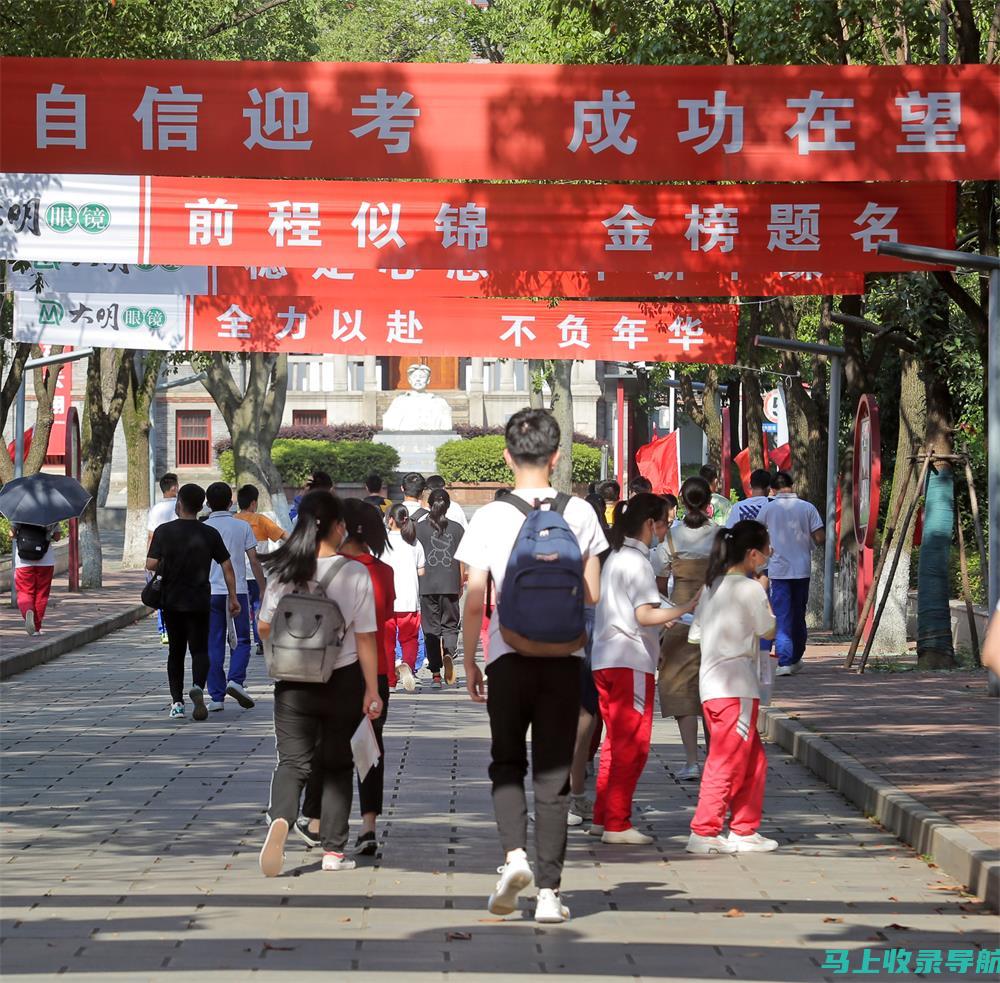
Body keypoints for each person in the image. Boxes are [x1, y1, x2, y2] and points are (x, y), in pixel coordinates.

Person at [456, 408, 608, 925]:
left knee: (506, 761)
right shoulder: (582, 513)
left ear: (506, 455)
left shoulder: (491, 516)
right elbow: (592, 593)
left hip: (507, 657)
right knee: (553, 775)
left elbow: (476, 595)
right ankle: (549, 894)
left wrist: (471, 656)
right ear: (556, 455)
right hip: (565, 659)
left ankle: (514, 857)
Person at [257, 491, 382, 877]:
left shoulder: (283, 569)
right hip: (341, 678)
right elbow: (365, 637)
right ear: (337, 527)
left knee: (293, 761)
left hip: (293, 679)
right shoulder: (356, 572)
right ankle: (332, 851)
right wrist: (372, 690)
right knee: (337, 763)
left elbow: (264, 625)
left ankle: (281, 818)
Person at [591, 494, 698, 844]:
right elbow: (645, 614)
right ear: (651, 524)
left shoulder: (618, 557)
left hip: (608, 658)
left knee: (614, 743)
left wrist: (666, 616)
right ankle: (617, 823)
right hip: (629, 661)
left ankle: (604, 816)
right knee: (632, 744)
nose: (667, 530)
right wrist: (686, 606)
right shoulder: (636, 562)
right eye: (666, 522)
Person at [297, 499, 396, 857]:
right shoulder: (383, 572)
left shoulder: (334, 569)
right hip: (378, 670)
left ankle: (317, 821)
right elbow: (381, 620)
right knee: (370, 749)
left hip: (335, 668)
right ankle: (368, 826)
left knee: (326, 745)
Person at [686, 520, 778, 854]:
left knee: (752, 759)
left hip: (711, 685)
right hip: (735, 687)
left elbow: (695, 634)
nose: (770, 553)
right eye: (767, 548)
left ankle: (744, 828)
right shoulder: (752, 589)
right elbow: (768, 629)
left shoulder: (712, 586)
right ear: (752, 554)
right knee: (725, 760)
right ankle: (705, 830)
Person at [146, 483, 240, 720]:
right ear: (201, 506)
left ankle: (177, 703)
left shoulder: (164, 531)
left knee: (176, 652)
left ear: (179, 504)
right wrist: (233, 596)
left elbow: (150, 564)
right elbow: (227, 566)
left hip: (171, 601)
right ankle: (197, 686)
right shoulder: (209, 533)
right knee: (199, 649)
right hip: (199, 600)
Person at [656, 477, 717, 781]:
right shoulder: (720, 536)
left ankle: (692, 760)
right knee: (714, 689)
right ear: (709, 501)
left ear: (681, 501)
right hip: (715, 615)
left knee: (680, 688)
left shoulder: (671, 536)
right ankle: (716, 759)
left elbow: (654, 573)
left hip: (680, 616)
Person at [204, 482, 266, 712]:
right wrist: (262, 587)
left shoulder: (204, 527)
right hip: (237, 590)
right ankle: (236, 680)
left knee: (214, 641)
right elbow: (254, 560)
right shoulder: (242, 527)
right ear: (230, 502)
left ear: (208, 503)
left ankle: (217, 697)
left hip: (210, 592)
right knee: (241, 640)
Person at [757, 471, 824, 677]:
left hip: (779, 570)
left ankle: (785, 660)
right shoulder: (807, 507)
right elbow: (820, 536)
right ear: (792, 486)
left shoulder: (768, 508)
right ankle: (795, 657)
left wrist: (768, 549)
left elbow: (756, 533)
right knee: (798, 614)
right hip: (802, 568)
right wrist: (807, 543)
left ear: (772, 489)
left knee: (783, 615)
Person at [415, 488, 465, 689]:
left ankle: (435, 674)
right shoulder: (457, 528)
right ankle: (449, 653)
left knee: (431, 629)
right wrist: (460, 582)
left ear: (428, 504)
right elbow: (462, 559)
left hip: (426, 584)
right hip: (450, 582)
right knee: (451, 625)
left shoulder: (418, 528)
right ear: (448, 505)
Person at [235, 484, 288, 652]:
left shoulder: (234, 521)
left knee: (242, 607)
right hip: (259, 573)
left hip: (237, 575)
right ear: (253, 503)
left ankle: (239, 639)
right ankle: (260, 641)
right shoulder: (261, 520)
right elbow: (285, 536)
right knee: (259, 607)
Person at [384, 504, 425, 692]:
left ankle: (390, 681)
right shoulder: (414, 542)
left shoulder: (381, 540)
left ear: (390, 519)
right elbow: (422, 571)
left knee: (387, 641)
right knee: (409, 639)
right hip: (409, 599)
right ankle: (408, 665)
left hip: (386, 599)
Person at [147, 472, 179, 644]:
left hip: (161, 559)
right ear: (174, 487)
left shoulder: (155, 509)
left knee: (162, 593)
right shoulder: (181, 506)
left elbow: (150, 537)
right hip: (181, 558)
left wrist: (149, 561)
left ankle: (164, 630)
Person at [12, 522, 61, 636]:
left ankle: (28, 610)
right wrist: (49, 534)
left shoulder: (20, 514)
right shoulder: (51, 514)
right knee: (41, 594)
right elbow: (58, 537)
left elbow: (11, 534)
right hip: (45, 560)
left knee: (24, 592)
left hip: (23, 561)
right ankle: (37, 627)